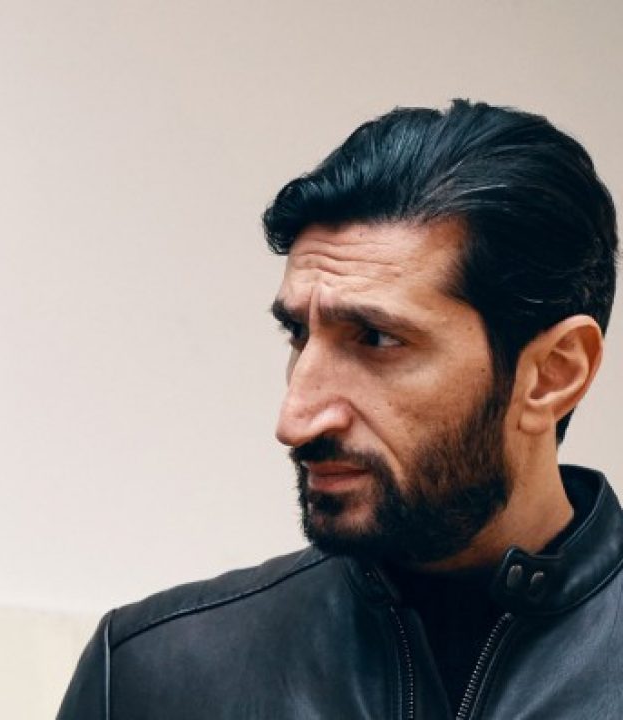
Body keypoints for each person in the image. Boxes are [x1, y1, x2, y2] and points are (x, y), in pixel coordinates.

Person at [57, 100, 620, 719]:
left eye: (376, 339)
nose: (294, 420)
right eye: (298, 334)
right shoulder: (153, 677)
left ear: (553, 374)